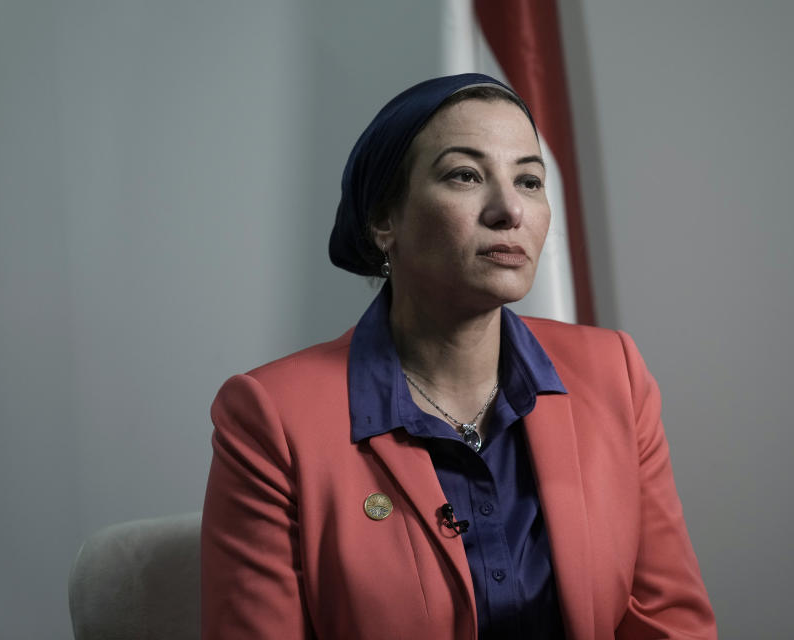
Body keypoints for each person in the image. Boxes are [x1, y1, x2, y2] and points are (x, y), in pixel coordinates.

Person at [201, 73, 717, 640]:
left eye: (529, 180)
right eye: (465, 175)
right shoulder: (270, 417)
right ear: (383, 221)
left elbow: (670, 623)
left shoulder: (614, 373)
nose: (509, 210)